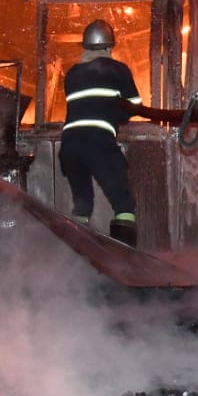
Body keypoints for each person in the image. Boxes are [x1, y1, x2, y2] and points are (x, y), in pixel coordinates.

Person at [59, 19, 143, 247]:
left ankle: (75, 259)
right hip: (98, 143)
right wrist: (116, 114)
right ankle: (124, 263)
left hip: (69, 146)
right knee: (123, 203)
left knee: (82, 203)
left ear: (85, 47)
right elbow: (134, 105)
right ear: (110, 47)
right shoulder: (118, 69)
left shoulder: (72, 73)